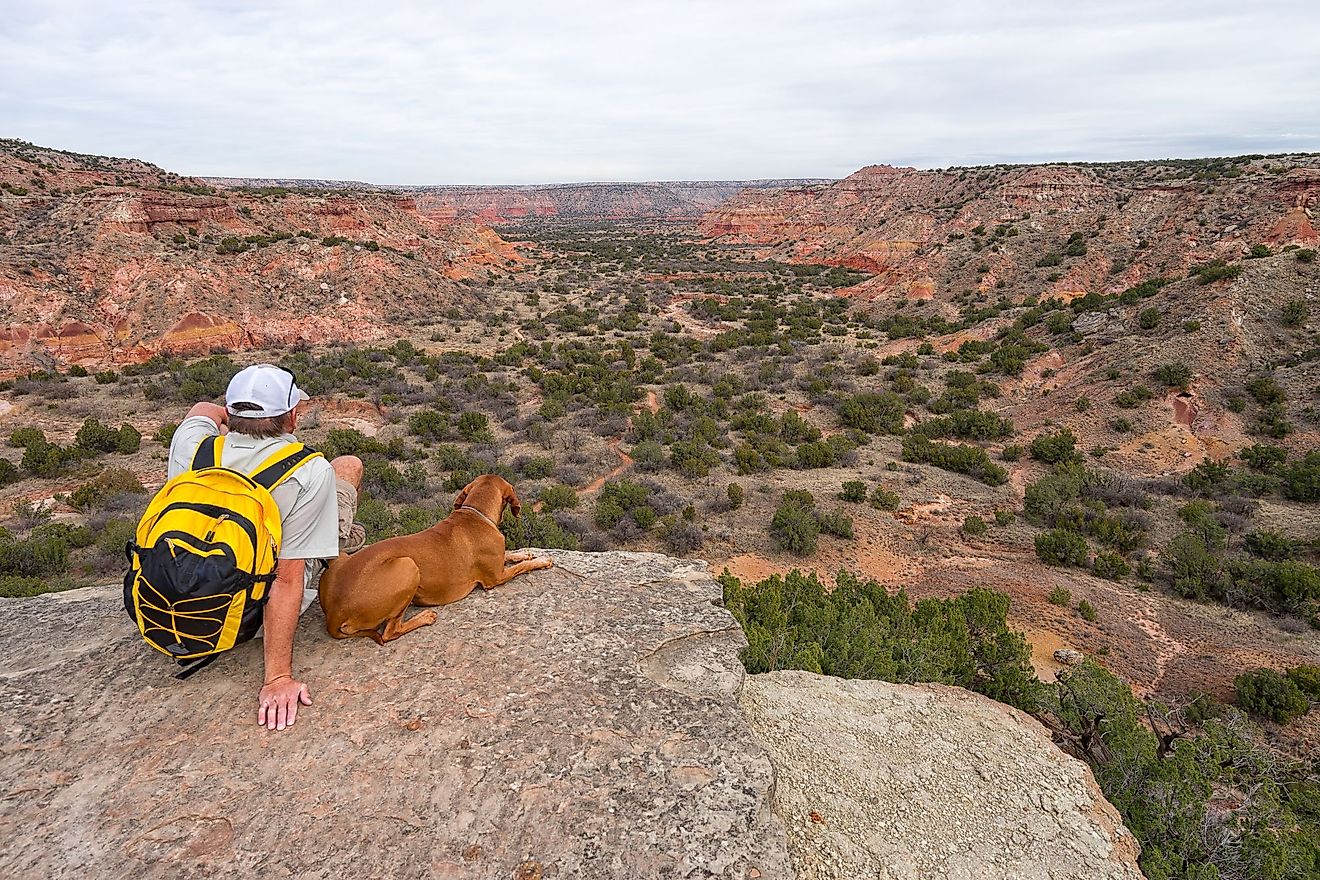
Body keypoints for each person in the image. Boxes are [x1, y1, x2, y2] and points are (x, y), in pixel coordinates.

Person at [168, 364, 365, 732]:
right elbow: (287, 581)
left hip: (180, 604)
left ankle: (341, 537)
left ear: (232, 410)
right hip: (246, 617)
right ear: (291, 416)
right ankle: (338, 543)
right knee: (348, 465)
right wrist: (277, 678)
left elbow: (201, 409)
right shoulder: (308, 471)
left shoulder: (192, 444)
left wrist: (230, 420)